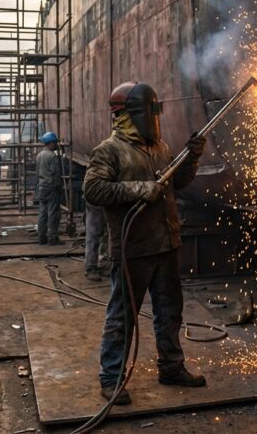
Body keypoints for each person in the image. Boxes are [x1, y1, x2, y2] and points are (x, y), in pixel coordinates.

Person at [83, 81, 208, 405]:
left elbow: (177, 183)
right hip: (133, 250)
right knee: (123, 316)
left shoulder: (161, 148)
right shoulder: (109, 150)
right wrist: (139, 189)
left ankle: (171, 366)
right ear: (128, 114)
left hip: (166, 245)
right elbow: (93, 191)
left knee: (170, 313)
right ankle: (111, 377)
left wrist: (192, 158)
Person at [35, 132, 64, 245]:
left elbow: (37, 172)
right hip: (51, 187)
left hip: (42, 187)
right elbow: (55, 173)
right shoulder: (52, 156)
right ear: (51, 143)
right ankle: (52, 238)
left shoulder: (39, 155)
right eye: (55, 142)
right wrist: (59, 187)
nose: (56, 144)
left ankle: (41, 238)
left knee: (42, 212)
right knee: (53, 212)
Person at [84, 200, 106, 281]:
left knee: (107, 231)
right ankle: (91, 267)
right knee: (93, 232)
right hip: (95, 198)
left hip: (107, 199)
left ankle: (105, 262)